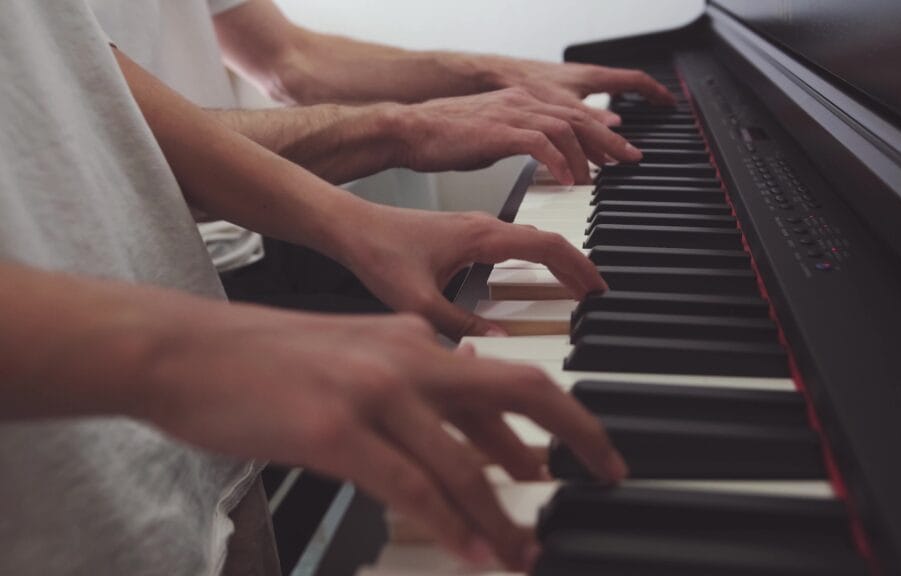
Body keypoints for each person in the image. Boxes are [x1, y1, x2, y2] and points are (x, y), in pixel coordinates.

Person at [0, 2, 632, 575]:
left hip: (177, 448)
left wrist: (357, 222)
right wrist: (187, 352)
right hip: (71, 454)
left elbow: (95, 91)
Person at [85, 0, 675, 311]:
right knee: (493, 366)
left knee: (502, 289)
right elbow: (105, 142)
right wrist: (404, 129)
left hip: (247, 238)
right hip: (141, 289)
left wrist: (493, 73)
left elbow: (290, 60)